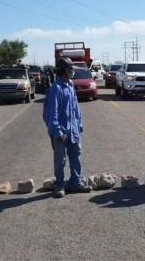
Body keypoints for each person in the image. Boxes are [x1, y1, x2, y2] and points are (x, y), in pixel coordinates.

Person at [43, 57, 92, 198]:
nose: (72, 72)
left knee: (75, 156)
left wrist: (79, 123)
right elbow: (52, 113)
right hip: (61, 132)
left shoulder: (70, 85)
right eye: (70, 69)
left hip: (73, 130)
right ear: (64, 71)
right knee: (60, 160)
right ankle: (59, 185)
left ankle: (75, 183)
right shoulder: (55, 89)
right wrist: (58, 132)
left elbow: (76, 107)